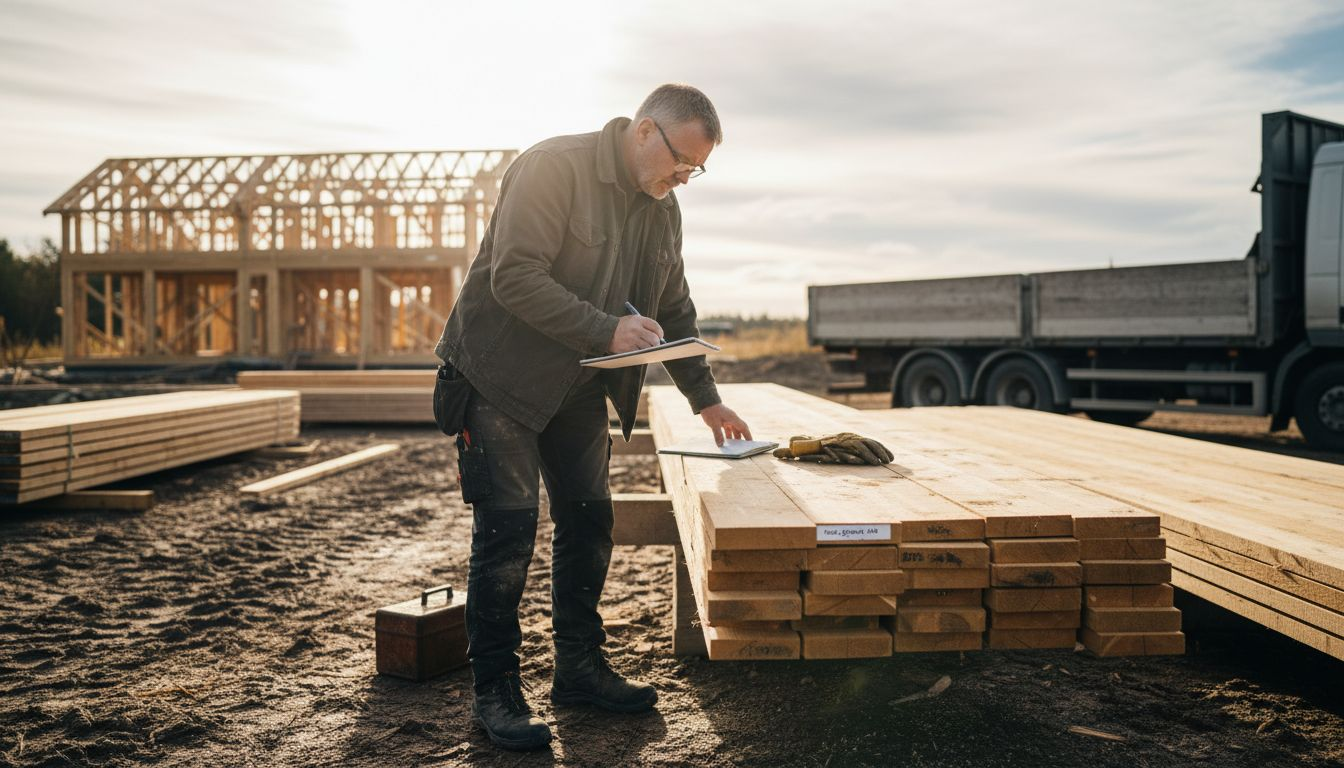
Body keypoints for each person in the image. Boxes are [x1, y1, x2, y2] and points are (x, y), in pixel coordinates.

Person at [432, 83, 751, 751]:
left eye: (696, 170)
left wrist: (707, 397)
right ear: (643, 131)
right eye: (680, 162)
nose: (683, 179)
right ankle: (496, 690)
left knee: (588, 520)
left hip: (578, 386)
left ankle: (578, 670)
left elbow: (677, 310)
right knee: (508, 535)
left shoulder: (662, 211)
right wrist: (606, 330)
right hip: (498, 379)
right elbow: (514, 277)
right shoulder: (554, 168)